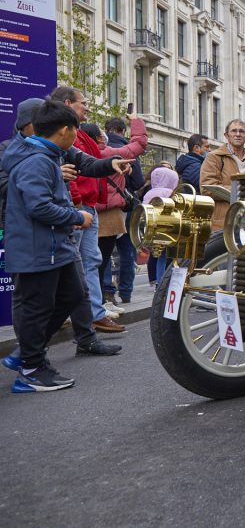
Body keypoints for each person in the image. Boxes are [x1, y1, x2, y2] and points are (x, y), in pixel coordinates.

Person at [0, 98, 124, 374]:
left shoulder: (51, 149)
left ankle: (48, 348)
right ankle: (32, 361)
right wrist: (70, 205)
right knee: (34, 302)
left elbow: (87, 163)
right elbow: (29, 199)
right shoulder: (22, 155)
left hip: (59, 234)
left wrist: (111, 162)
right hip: (34, 237)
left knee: (74, 291)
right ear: (34, 125)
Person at [49, 87, 125, 333]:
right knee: (69, 266)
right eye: (84, 103)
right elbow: (20, 177)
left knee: (88, 262)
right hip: (70, 211)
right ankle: (61, 321)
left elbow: (87, 164)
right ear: (69, 103)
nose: (88, 108)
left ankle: (90, 321)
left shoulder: (75, 138)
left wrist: (111, 164)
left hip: (81, 208)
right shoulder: (40, 142)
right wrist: (76, 203)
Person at [81, 119, 148, 309]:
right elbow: (139, 145)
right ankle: (102, 301)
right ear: (97, 137)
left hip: (84, 211)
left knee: (91, 260)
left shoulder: (76, 154)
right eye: (101, 134)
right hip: (109, 214)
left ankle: (100, 298)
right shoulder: (108, 153)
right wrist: (135, 120)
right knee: (104, 258)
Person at [102, 117, 144, 305]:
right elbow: (138, 182)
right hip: (126, 206)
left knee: (103, 251)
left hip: (105, 206)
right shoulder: (127, 149)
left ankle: (107, 291)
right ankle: (126, 291)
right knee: (127, 250)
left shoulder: (100, 148)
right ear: (122, 131)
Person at [200, 119, 245, 231]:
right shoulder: (214, 157)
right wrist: (240, 191)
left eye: (241, 131)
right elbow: (206, 188)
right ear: (226, 135)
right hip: (224, 222)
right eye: (234, 131)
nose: (238, 134)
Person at [143, 167, 180, 283]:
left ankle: (158, 282)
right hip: (166, 228)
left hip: (152, 228)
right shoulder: (169, 192)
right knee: (167, 257)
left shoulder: (149, 193)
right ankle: (165, 282)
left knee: (159, 256)